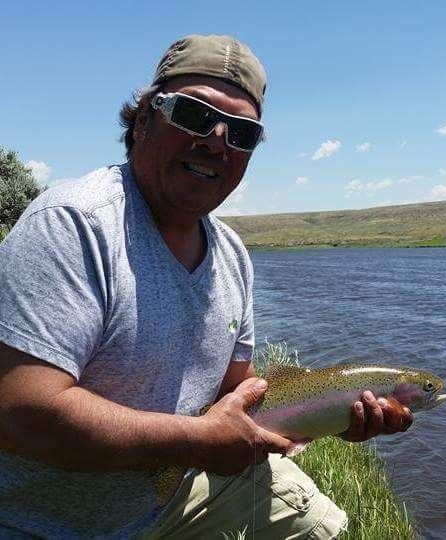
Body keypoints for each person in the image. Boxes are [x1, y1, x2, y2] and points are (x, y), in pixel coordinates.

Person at [0, 34, 413, 539]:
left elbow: (235, 389)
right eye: (194, 114)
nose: (217, 140)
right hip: (46, 521)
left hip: (178, 490)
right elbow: (19, 411)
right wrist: (195, 440)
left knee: (324, 530)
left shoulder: (231, 253)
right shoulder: (72, 225)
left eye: (242, 133)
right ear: (145, 120)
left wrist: (330, 415)